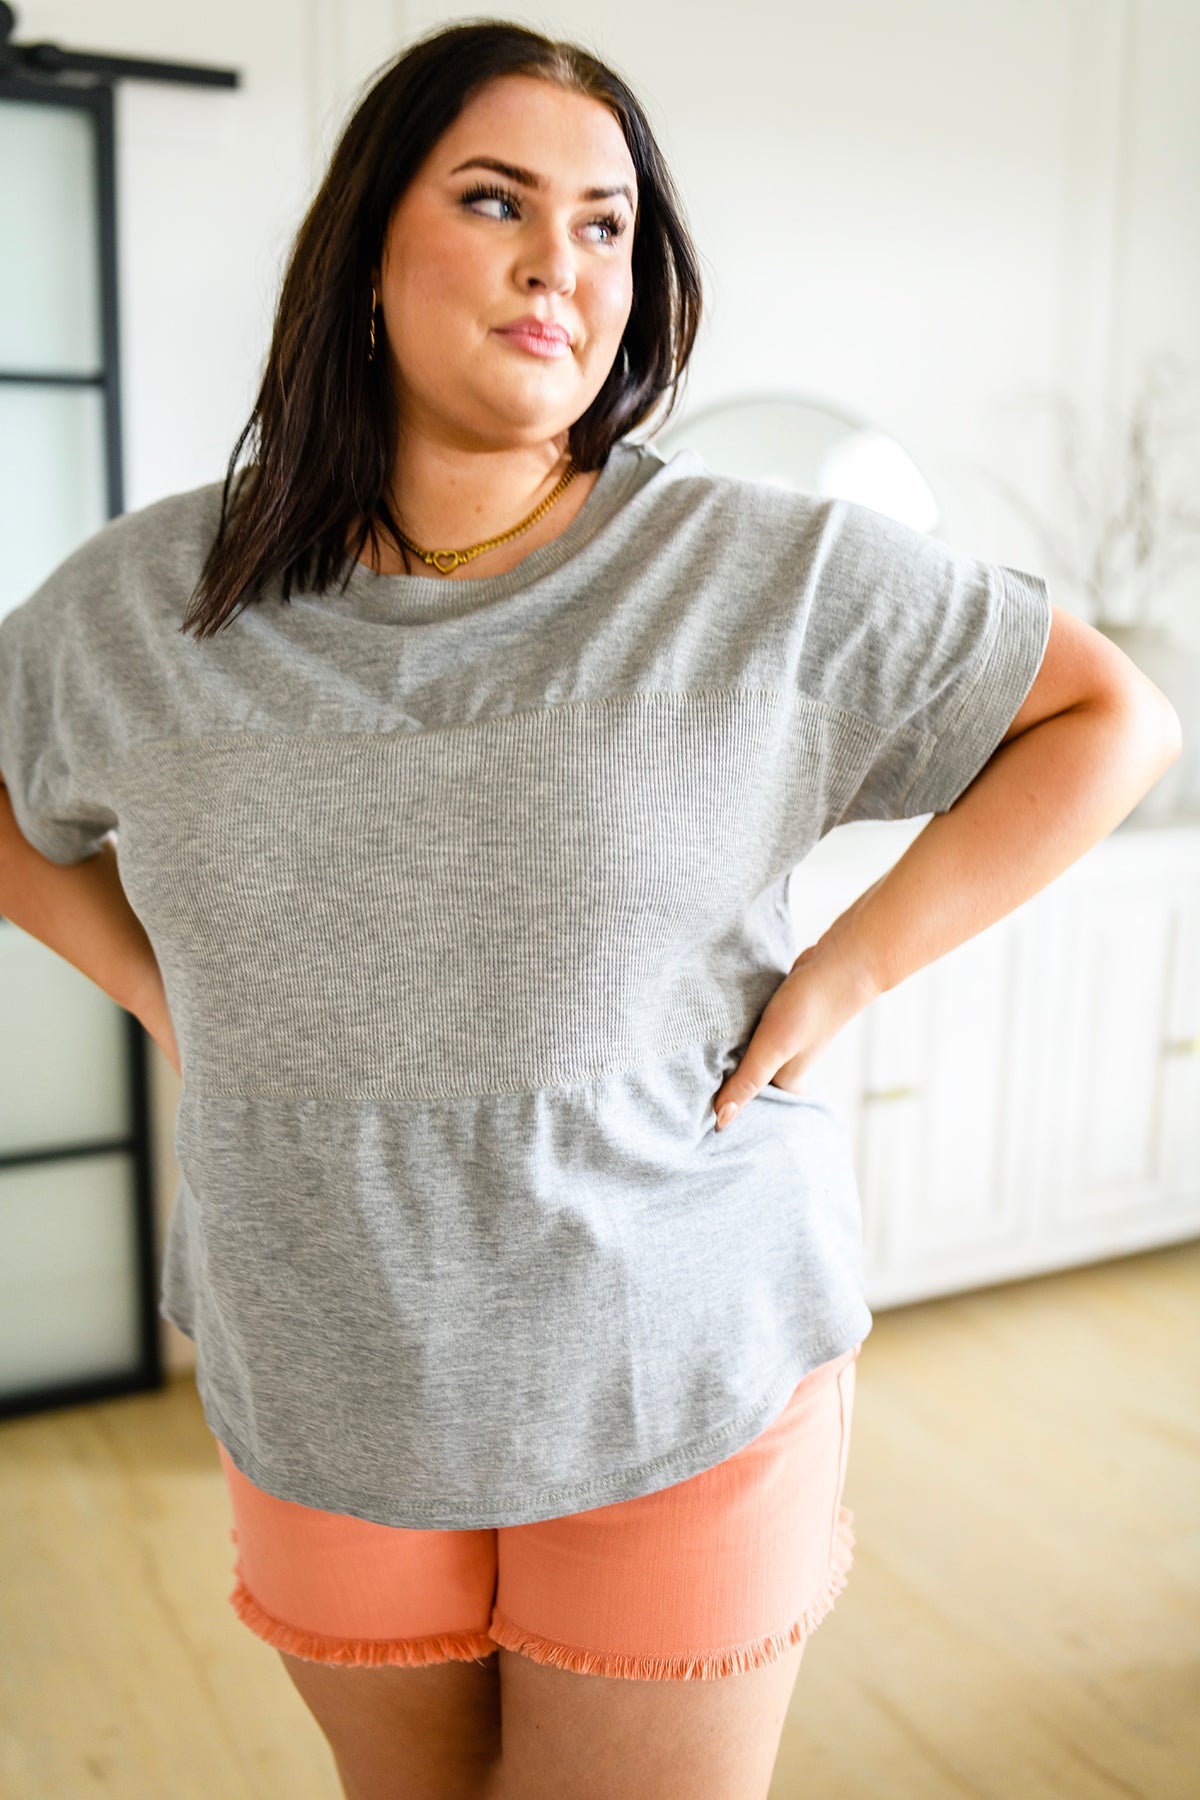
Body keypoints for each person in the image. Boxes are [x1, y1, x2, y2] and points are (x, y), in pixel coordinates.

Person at [0, 16, 1181, 1800]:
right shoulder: (150, 602)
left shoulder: (763, 571)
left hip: (682, 1347)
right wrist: (168, 993)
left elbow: (1108, 718)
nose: (562, 258)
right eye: (496, 200)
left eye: (607, 222)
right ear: (365, 250)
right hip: (321, 1353)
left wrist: (849, 969)